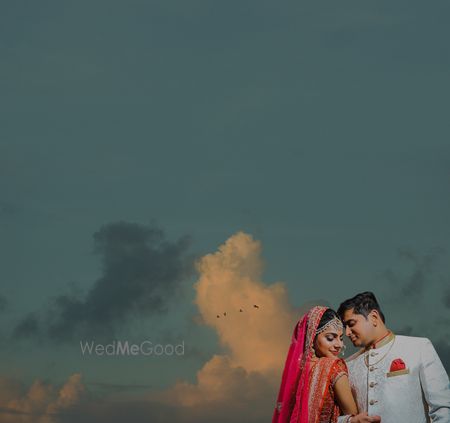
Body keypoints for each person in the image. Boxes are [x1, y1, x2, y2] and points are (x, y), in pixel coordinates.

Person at [337, 291, 450, 423]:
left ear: (374, 317)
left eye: (351, 324)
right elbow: (333, 417)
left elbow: (443, 408)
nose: (347, 332)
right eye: (345, 327)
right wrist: (351, 421)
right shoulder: (347, 365)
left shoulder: (418, 348)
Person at [273, 306, 371, 423]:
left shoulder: (295, 371)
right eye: (330, 338)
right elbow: (353, 416)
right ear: (312, 337)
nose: (339, 345)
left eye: (341, 338)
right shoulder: (333, 367)